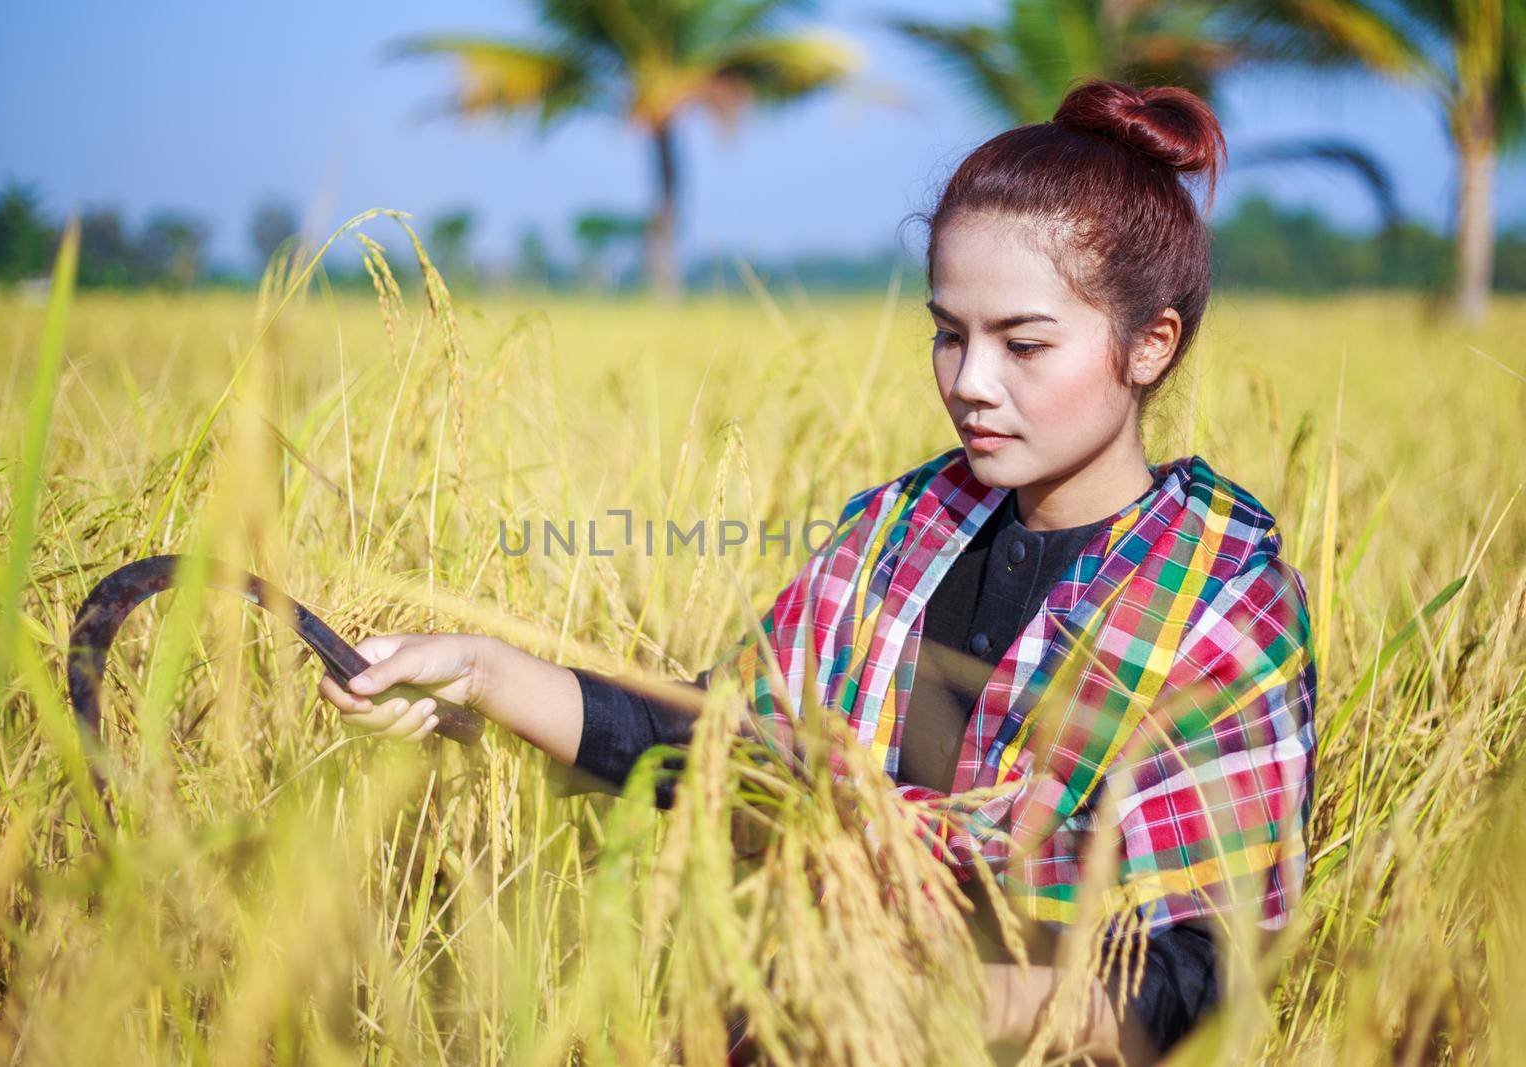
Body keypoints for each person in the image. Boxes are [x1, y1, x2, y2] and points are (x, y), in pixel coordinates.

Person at [317, 78, 1317, 1066]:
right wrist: (486, 673)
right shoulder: (898, 534)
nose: (970, 382)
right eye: (948, 333)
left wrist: (951, 999)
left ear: (1149, 346)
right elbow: (714, 744)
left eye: (1022, 343)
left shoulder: (1222, 604)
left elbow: (1207, 965)